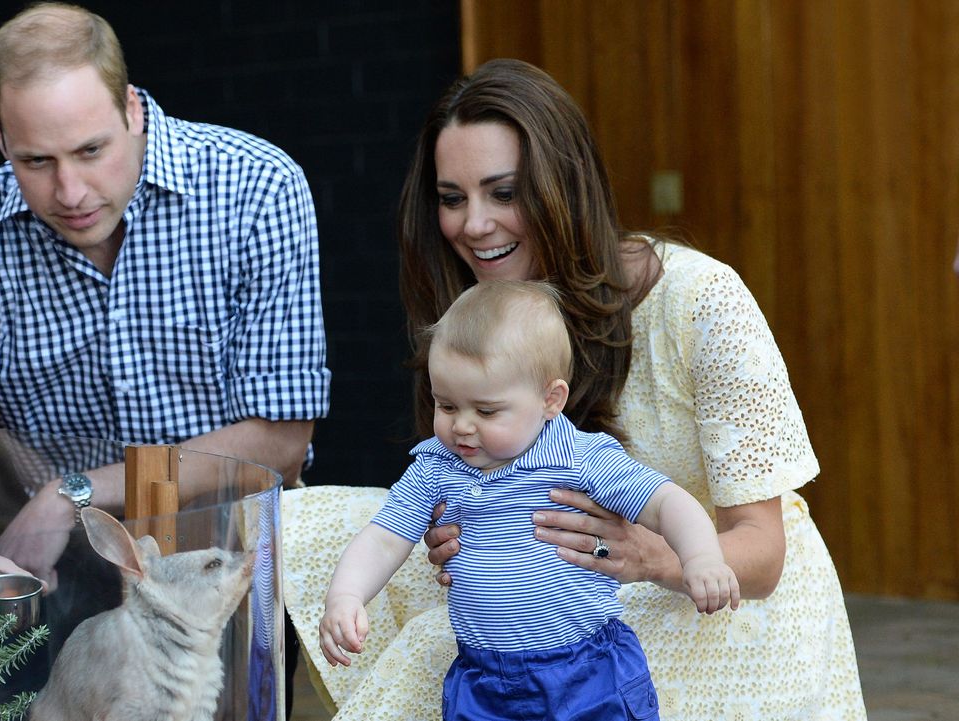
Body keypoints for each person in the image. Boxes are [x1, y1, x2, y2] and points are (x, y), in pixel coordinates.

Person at [281, 58, 866, 720]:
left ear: (564, 187)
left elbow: (762, 552)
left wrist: (654, 556)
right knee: (314, 528)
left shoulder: (701, 299)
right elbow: (466, 479)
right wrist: (453, 531)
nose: (474, 225)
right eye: (452, 198)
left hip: (716, 598)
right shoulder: (476, 317)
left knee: (432, 660)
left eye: (504, 193)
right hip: (555, 608)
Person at [0, 1, 328, 669]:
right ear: (2, 141)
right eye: (36, 160)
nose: (71, 190)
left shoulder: (256, 187)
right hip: (63, 597)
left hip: (226, 573)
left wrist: (72, 493)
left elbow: (281, 439)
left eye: (92, 150)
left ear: (133, 111)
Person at [319, 280, 738, 720]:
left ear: (550, 399)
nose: (461, 426)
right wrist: (346, 595)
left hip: (587, 669)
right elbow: (384, 538)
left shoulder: (580, 459)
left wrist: (702, 558)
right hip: (482, 677)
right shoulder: (436, 467)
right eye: (445, 405)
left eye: (485, 411)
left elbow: (666, 502)